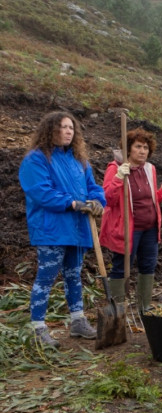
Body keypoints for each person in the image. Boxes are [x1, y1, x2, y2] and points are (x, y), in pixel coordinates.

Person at [19, 111, 106, 347]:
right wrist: (73, 203)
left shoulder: (79, 160)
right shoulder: (36, 159)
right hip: (51, 229)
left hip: (77, 229)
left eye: (71, 128)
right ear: (50, 130)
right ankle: (38, 327)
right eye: (63, 127)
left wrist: (98, 201)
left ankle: (77, 321)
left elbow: (93, 187)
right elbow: (41, 192)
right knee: (46, 278)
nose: (68, 131)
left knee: (73, 275)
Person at [99, 127, 162, 311]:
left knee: (148, 266)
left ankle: (145, 306)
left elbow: (152, 198)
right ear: (129, 149)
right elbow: (107, 198)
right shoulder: (116, 168)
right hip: (127, 228)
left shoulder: (150, 169)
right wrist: (119, 177)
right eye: (138, 147)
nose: (142, 151)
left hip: (150, 228)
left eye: (145, 148)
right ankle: (117, 308)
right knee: (121, 267)